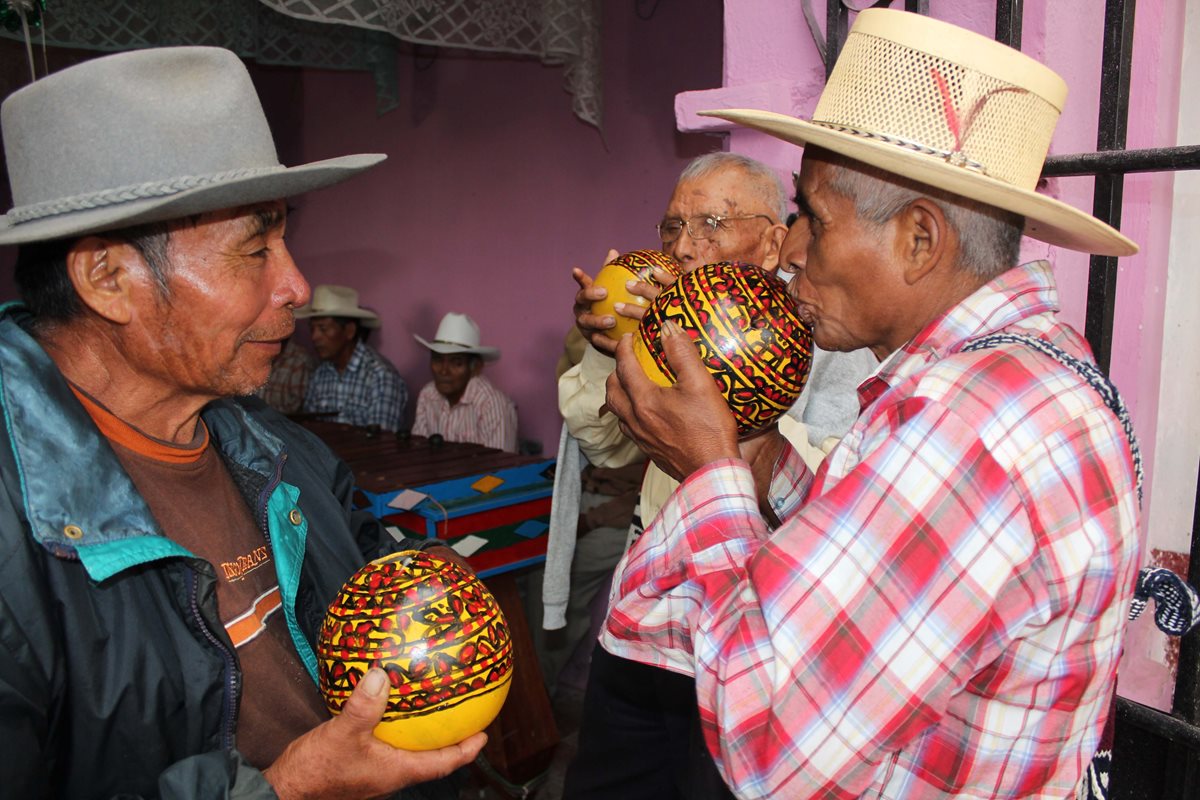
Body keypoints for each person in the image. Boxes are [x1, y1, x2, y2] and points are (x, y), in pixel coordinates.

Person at [602, 9, 1141, 799]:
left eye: (813, 219)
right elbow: (868, 557)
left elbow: (768, 738)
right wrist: (753, 455)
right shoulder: (1017, 374)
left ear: (919, 240)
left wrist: (708, 471)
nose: (790, 251)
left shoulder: (972, 425)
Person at [0, 47, 484, 799]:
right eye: (254, 249)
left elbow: (372, 581)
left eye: (284, 240)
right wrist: (286, 789)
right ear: (107, 279)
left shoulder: (285, 453)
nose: (294, 284)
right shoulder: (15, 535)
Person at [556, 152, 875, 799]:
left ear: (773, 239)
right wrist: (611, 353)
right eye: (672, 228)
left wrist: (717, 417)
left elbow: (830, 488)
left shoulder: (824, 330)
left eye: (711, 224)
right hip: (648, 637)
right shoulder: (665, 323)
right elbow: (610, 451)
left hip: (747, 647)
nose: (686, 247)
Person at [299, 283, 407, 431]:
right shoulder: (320, 374)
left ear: (349, 331)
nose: (314, 337)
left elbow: (381, 441)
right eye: (312, 329)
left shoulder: (380, 375)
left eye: (323, 329)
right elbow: (308, 429)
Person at [411, 312, 518, 452]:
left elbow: (500, 468)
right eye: (437, 360)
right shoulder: (427, 395)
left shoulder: (492, 404)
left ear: (475, 368)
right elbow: (418, 453)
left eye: (456, 363)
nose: (443, 371)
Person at [257, 336, 315, 414]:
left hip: (280, 422)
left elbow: (296, 407)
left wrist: (264, 413)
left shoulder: (300, 360)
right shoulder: (258, 351)